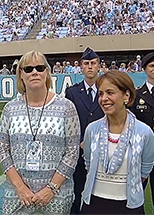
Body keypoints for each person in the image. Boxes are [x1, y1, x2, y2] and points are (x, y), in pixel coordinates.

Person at [0, 50, 80, 215]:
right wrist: (20, 187)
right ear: (20, 74)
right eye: (28, 69)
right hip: (17, 195)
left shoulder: (66, 107)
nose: (34, 72)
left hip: (56, 196)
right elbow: (2, 150)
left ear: (47, 73)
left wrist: (51, 188)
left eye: (40, 68)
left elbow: (72, 152)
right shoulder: (10, 109)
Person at [81, 70, 154, 214]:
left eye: (110, 92)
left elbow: (145, 170)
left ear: (126, 96)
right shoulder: (92, 130)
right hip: (94, 204)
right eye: (101, 94)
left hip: (128, 207)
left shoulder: (144, 133)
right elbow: (89, 163)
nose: (104, 99)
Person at [65, 47, 104, 215]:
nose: (90, 66)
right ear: (81, 66)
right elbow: (68, 122)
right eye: (86, 63)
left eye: (93, 63)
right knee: (76, 193)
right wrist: (81, 141)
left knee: (100, 195)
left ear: (99, 66)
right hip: (78, 153)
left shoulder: (106, 91)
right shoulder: (72, 92)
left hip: (102, 152)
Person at [131, 51, 154, 215]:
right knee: (136, 203)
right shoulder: (135, 95)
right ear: (145, 69)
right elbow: (131, 124)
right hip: (140, 157)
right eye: (152, 66)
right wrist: (149, 150)